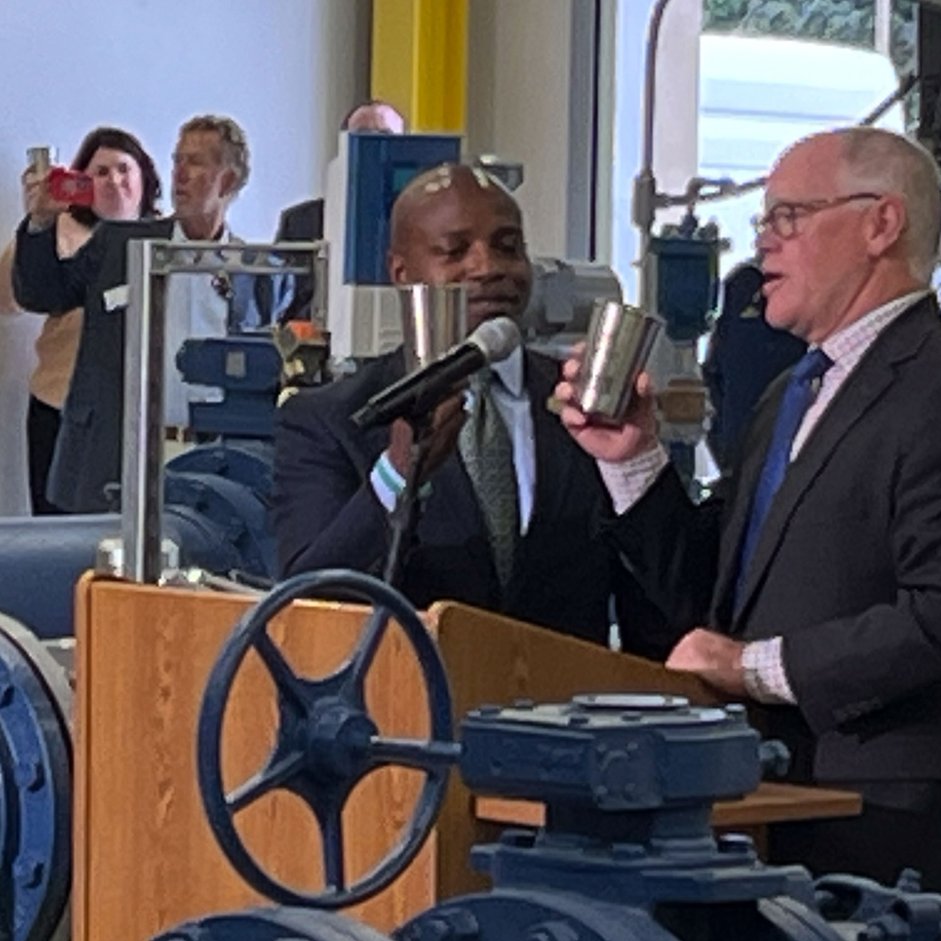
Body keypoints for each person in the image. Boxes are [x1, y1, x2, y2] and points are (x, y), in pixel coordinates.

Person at [555, 127, 941, 924]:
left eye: (788, 216)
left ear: (880, 224)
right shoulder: (790, 393)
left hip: (889, 837)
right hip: (767, 811)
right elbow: (712, 593)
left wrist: (753, 667)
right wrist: (632, 458)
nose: (764, 243)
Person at [271, 163, 677, 659]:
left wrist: (635, 466)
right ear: (402, 272)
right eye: (455, 250)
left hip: (563, 723)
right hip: (408, 720)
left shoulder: (583, 411)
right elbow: (305, 605)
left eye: (508, 246)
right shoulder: (334, 419)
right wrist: (397, 477)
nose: (488, 267)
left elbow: (666, 614)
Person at [12, 114, 293, 513]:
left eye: (195, 163)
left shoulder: (259, 273)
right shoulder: (121, 244)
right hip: (119, 458)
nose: (179, 173)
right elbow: (42, 293)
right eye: (177, 160)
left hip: (211, 465)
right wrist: (41, 222)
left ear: (228, 180)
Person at [0, 127, 161, 514]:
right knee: (56, 530)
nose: (115, 181)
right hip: (60, 406)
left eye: (124, 169)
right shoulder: (57, 233)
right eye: (100, 173)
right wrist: (40, 224)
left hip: (142, 414)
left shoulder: (169, 242)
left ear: (144, 177)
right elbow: (11, 299)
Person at [275, 100, 406, 320]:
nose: (373, 148)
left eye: (385, 136)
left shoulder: (422, 225)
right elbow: (282, 306)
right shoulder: (300, 222)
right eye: (363, 136)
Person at [702, 255, 806, 473]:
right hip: (747, 447)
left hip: (760, 446)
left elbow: (713, 377)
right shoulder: (744, 287)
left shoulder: (747, 288)